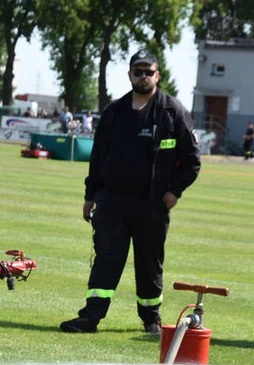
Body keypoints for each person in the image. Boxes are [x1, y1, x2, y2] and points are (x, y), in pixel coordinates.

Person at [60, 49, 201, 335]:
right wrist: (90, 196)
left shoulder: (172, 112)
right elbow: (98, 157)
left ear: (157, 75)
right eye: (138, 71)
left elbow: (192, 160)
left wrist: (175, 191)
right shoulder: (114, 112)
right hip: (112, 202)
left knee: (149, 264)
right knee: (106, 260)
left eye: (149, 71)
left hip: (152, 205)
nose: (143, 76)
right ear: (129, 74)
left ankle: (151, 319)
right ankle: (90, 317)